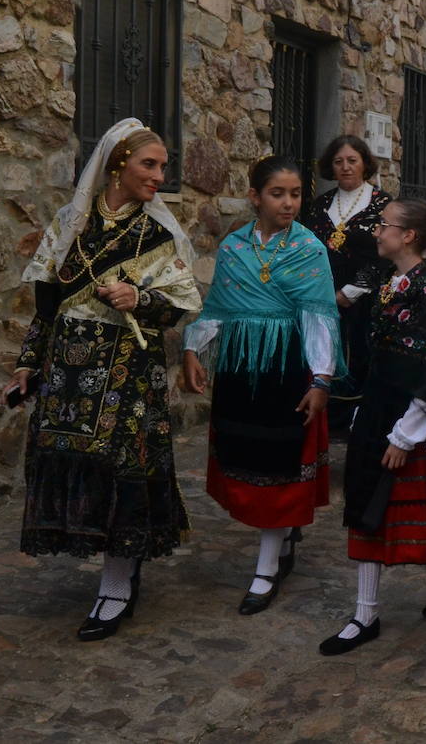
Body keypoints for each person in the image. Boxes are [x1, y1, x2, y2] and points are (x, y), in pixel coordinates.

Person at [9, 118, 202, 641]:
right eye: (150, 164)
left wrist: (140, 298)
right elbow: (45, 306)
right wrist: (28, 364)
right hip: (67, 372)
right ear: (118, 163)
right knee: (71, 463)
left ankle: (116, 584)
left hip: (125, 375)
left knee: (123, 471)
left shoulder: (158, 234)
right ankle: (114, 569)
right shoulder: (71, 225)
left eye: (163, 166)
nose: (159, 175)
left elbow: (181, 304)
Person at [183, 156, 339, 614]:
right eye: (278, 193)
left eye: (295, 194)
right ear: (255, 197)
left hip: (287, 368)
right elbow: (218, 307)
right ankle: (284, 539)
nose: (289, 203)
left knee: (279, 464)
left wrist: (322, 378)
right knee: (245, 455)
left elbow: (319, 317)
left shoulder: (310, 249)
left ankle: (266, 568)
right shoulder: (233, 248)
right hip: (240, 368)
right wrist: (194, 349)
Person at [319, 197, 426, 655]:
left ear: (409, 236)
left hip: (405, 415)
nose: (376, 231)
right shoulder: (386, 281)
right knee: (363, 500)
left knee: (425, 509)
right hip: (378, 406)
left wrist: (406, 432)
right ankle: (365, 612)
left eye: (384, 225)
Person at [302, 135, 392, 421]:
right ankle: (328, 412)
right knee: (325, 350)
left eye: (352, 160)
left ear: (365, 163)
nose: (345, 167)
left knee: (361, 351)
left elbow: (385, 254)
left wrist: (351, 292)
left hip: (365, 299)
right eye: (338, 161)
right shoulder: (320, 204)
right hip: (323, 296)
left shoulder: (382, 204)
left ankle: (357, 415)